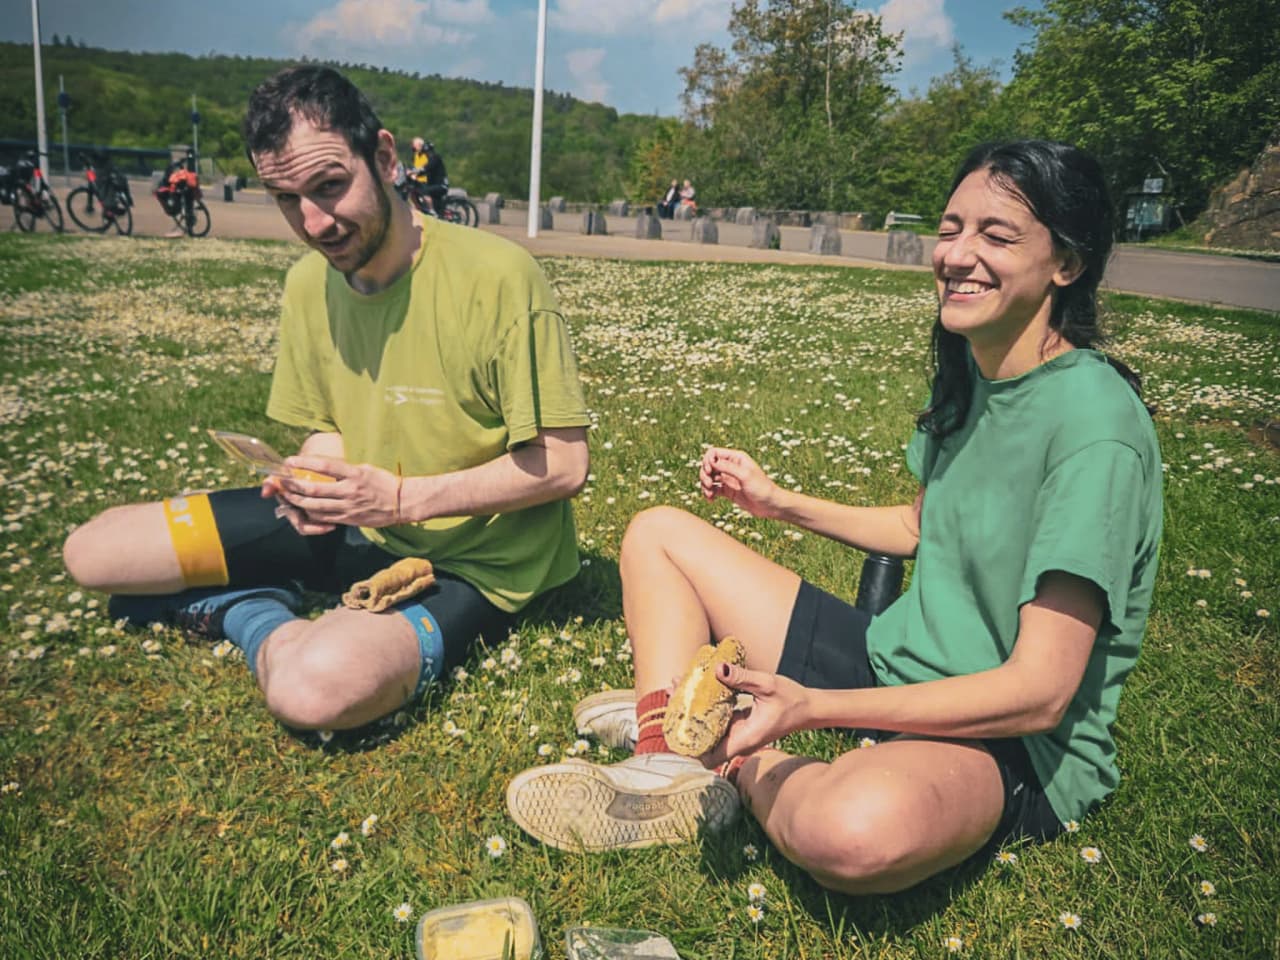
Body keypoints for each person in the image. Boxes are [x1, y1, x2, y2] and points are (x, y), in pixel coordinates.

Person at [506, 140, 1163, 895]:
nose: (957, 254)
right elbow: (923, 527)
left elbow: (1040, 692)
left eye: (997, 235)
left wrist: (815, 709)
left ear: (1067, 264)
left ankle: (723, 751)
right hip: (894, 662)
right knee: (658, 533)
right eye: (950, 229)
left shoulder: (1093, 426)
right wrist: (777, 503)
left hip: (1008, 739)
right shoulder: (977, 371)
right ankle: (667, 750)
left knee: (850, 834)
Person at [63, 65, 591, 736]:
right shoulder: (309, 285)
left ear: (386, 157)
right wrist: (312, 476)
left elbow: (566, 466)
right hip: (359, 527)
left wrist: (400, 500)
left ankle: (245, 613)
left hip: (479, 564)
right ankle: (271, 592)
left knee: (312, 692)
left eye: (330, 186)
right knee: (96, 554)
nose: (314, 222)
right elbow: (330, 428)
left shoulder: (499, 277)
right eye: (286, 198)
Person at [408, 135, 448, 215]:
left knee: (424, 191)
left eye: (426, 151)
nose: (426, 153)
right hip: (433, 184)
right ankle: (420, 209)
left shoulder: (435, 158)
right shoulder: (431, 158)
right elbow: (423, 171)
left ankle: (432, 211)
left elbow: (425, 168)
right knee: (414, 191)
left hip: (441, 185)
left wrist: (412, 172)